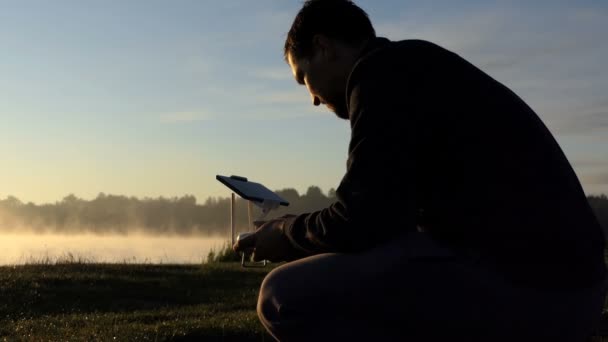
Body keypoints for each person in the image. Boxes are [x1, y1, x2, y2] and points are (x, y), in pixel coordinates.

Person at [233, 0, 608, 340]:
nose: (312, 99)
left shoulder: (380, 77)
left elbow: (363, 220)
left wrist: (284, 234)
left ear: (323, 47)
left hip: (541, 295)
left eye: (304, 78)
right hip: (570, 287)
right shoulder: (413, 66)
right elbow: (385, 218)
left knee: (281, 296)